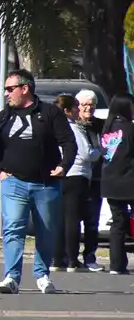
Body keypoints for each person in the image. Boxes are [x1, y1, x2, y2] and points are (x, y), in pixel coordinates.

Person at [0, 68, 74, 294]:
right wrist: (0, 172)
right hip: (13, 182)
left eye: (10, 89)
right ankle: (11, 277)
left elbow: (68, 142)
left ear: (25, 89)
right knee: (14, 228)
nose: (6, 93)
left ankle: (42, 275)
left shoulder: (50, 113)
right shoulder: (4, 115)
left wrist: (64, 166)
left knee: (46, 231)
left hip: (46, 184)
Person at [54, 92, 103, 272]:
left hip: (64, 175)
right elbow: (85, 153)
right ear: (68, 110)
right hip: (76, 176)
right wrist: (101, 151)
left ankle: (59, 259)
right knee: (72, 220)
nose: (81, 110)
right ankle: (71, 260)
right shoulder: (72, 128)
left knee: (63, 219)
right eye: (78, 106)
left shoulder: (57, 126)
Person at [99, 92, 134, 276]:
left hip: (110, 183)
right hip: (129, 181)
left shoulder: (107, 130)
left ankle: (116, 264)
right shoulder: (130, 129)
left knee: (117, 224)